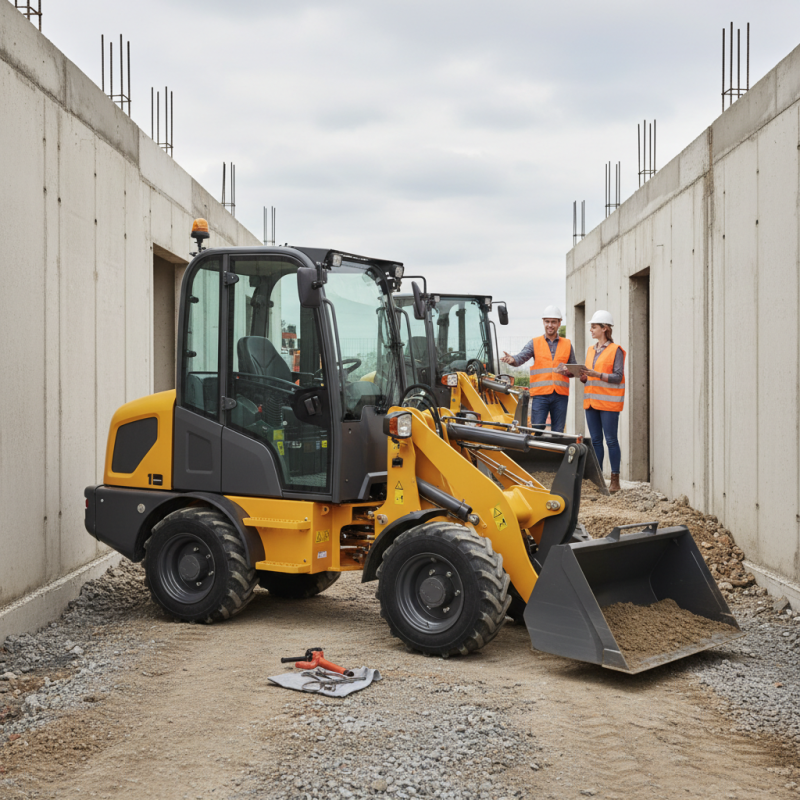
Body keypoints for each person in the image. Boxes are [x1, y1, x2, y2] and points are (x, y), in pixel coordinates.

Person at [500, 305, 577, 433]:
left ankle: (555, 453)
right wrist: (513, 360)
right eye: (547, 321)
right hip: (541, 395)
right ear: (543, 322)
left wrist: (568, 371)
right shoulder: (534, 343)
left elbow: (573, 369)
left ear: (559, 323)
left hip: (560, 396)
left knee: (558, 431)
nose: (550, 325)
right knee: (537, 429)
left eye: (553, 322)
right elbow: (520, 358)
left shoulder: (567, 344)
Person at [580, 310, 626, 494]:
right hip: (591, 402)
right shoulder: (591, 350)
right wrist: (582, 375)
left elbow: (617, 376)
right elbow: (588, 377)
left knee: (611, 440)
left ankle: (615, 480)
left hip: (608, 404)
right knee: (596, 442)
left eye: (594, 326)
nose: (591, 330)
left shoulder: (616, 350)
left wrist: (596, 374)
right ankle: (598, 480)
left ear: (604, 328)